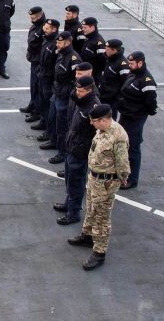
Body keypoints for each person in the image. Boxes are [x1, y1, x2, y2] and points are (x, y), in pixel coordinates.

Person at [67, 104, 130, 271]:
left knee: (101, 217)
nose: (91, 124)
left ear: (103, 120)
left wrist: (122, 179)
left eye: (94, 121)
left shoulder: (118, 137)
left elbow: (123, 164)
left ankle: (99, 252)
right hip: (94, 178)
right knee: (90, 208)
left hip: (106, 183)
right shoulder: (101, 130)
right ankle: (87, 236)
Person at [54, 76, 100, 225]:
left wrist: (84, 149)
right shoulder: (81, 101)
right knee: (69, 178)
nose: (77, 93)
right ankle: (68, 204)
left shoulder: (93, 108)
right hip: (72, 145)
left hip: (80, 150)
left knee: (76, 182)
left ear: (89, 90)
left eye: (80, 91)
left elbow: (97, 134)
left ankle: (73, 213)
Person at [117, 51, 157, 189]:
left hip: (135, 118)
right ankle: (122, 170)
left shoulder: (147, 81)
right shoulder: (133, 74)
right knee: (122, 142)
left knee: (133, 147)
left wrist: (138, 112)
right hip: (126, 114)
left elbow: (151, 104)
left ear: (140, 63)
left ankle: (132, 179)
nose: (129, 65)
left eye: (132, 63)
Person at [41, 31, 80, 166]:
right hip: (57, 91)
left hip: (64, 95)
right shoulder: (61, 54)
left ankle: (62, 152)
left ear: (67, 42)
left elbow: (75, 81)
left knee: (62, 125)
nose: (57, 44)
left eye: (59, 42)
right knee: (53, 119)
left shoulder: (74, 59)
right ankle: (53, 141)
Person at [33, 19, 60, 137]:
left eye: (47, 28)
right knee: (43, 101)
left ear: (54, 29)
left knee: (49, 106)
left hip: (49, 80)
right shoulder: (47, 40)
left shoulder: (55, 43)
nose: (44, 29)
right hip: (43, 76)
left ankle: (49, 131)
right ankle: (43, 122)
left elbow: (55, 65)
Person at [20, 6, 47, 123]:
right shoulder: (36, 25)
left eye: (33, 18)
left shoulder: (44, 28)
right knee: (33, 86)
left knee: (38, 88)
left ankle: (37, 111)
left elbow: (43, 47)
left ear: (40, 16)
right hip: (34, 60)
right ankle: (32, 105)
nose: (31, 19)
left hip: (39, 62)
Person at [98, 39, 129, 118]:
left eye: (107, 49)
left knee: (110, 120)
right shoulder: (110, 58)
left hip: (112, 99)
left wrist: (118, 97)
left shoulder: (123, 65)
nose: (105, 51)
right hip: (104, 95)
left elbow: (125, 84)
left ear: (114, 50)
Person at [79, 17, 106, 83]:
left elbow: (102, 61)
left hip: (93, 76)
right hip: (85, 72)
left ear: (92, 27)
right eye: (82, 27)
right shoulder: (88, 37)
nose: (83, 30)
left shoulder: (99, 42)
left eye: (85, 27)